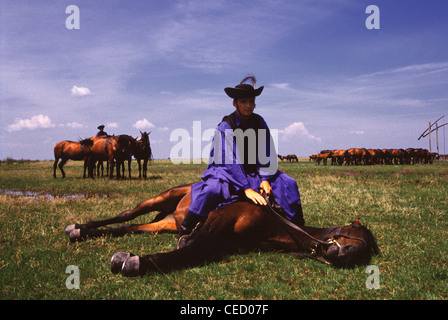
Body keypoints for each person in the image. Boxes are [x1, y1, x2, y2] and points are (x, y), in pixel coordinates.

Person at [177, 76, 304, 249]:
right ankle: (186, 229)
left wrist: (265, 178)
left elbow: (266, 150)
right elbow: (229, 159)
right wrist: (246, 189)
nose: (248, 105)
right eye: (243, 102)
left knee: (288, 183)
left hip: (255, 170)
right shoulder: (226, 126)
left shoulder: (259, 122)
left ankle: (297, 226)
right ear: (234, 104)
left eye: (251, 101)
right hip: (226, 170)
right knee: (212, 190)